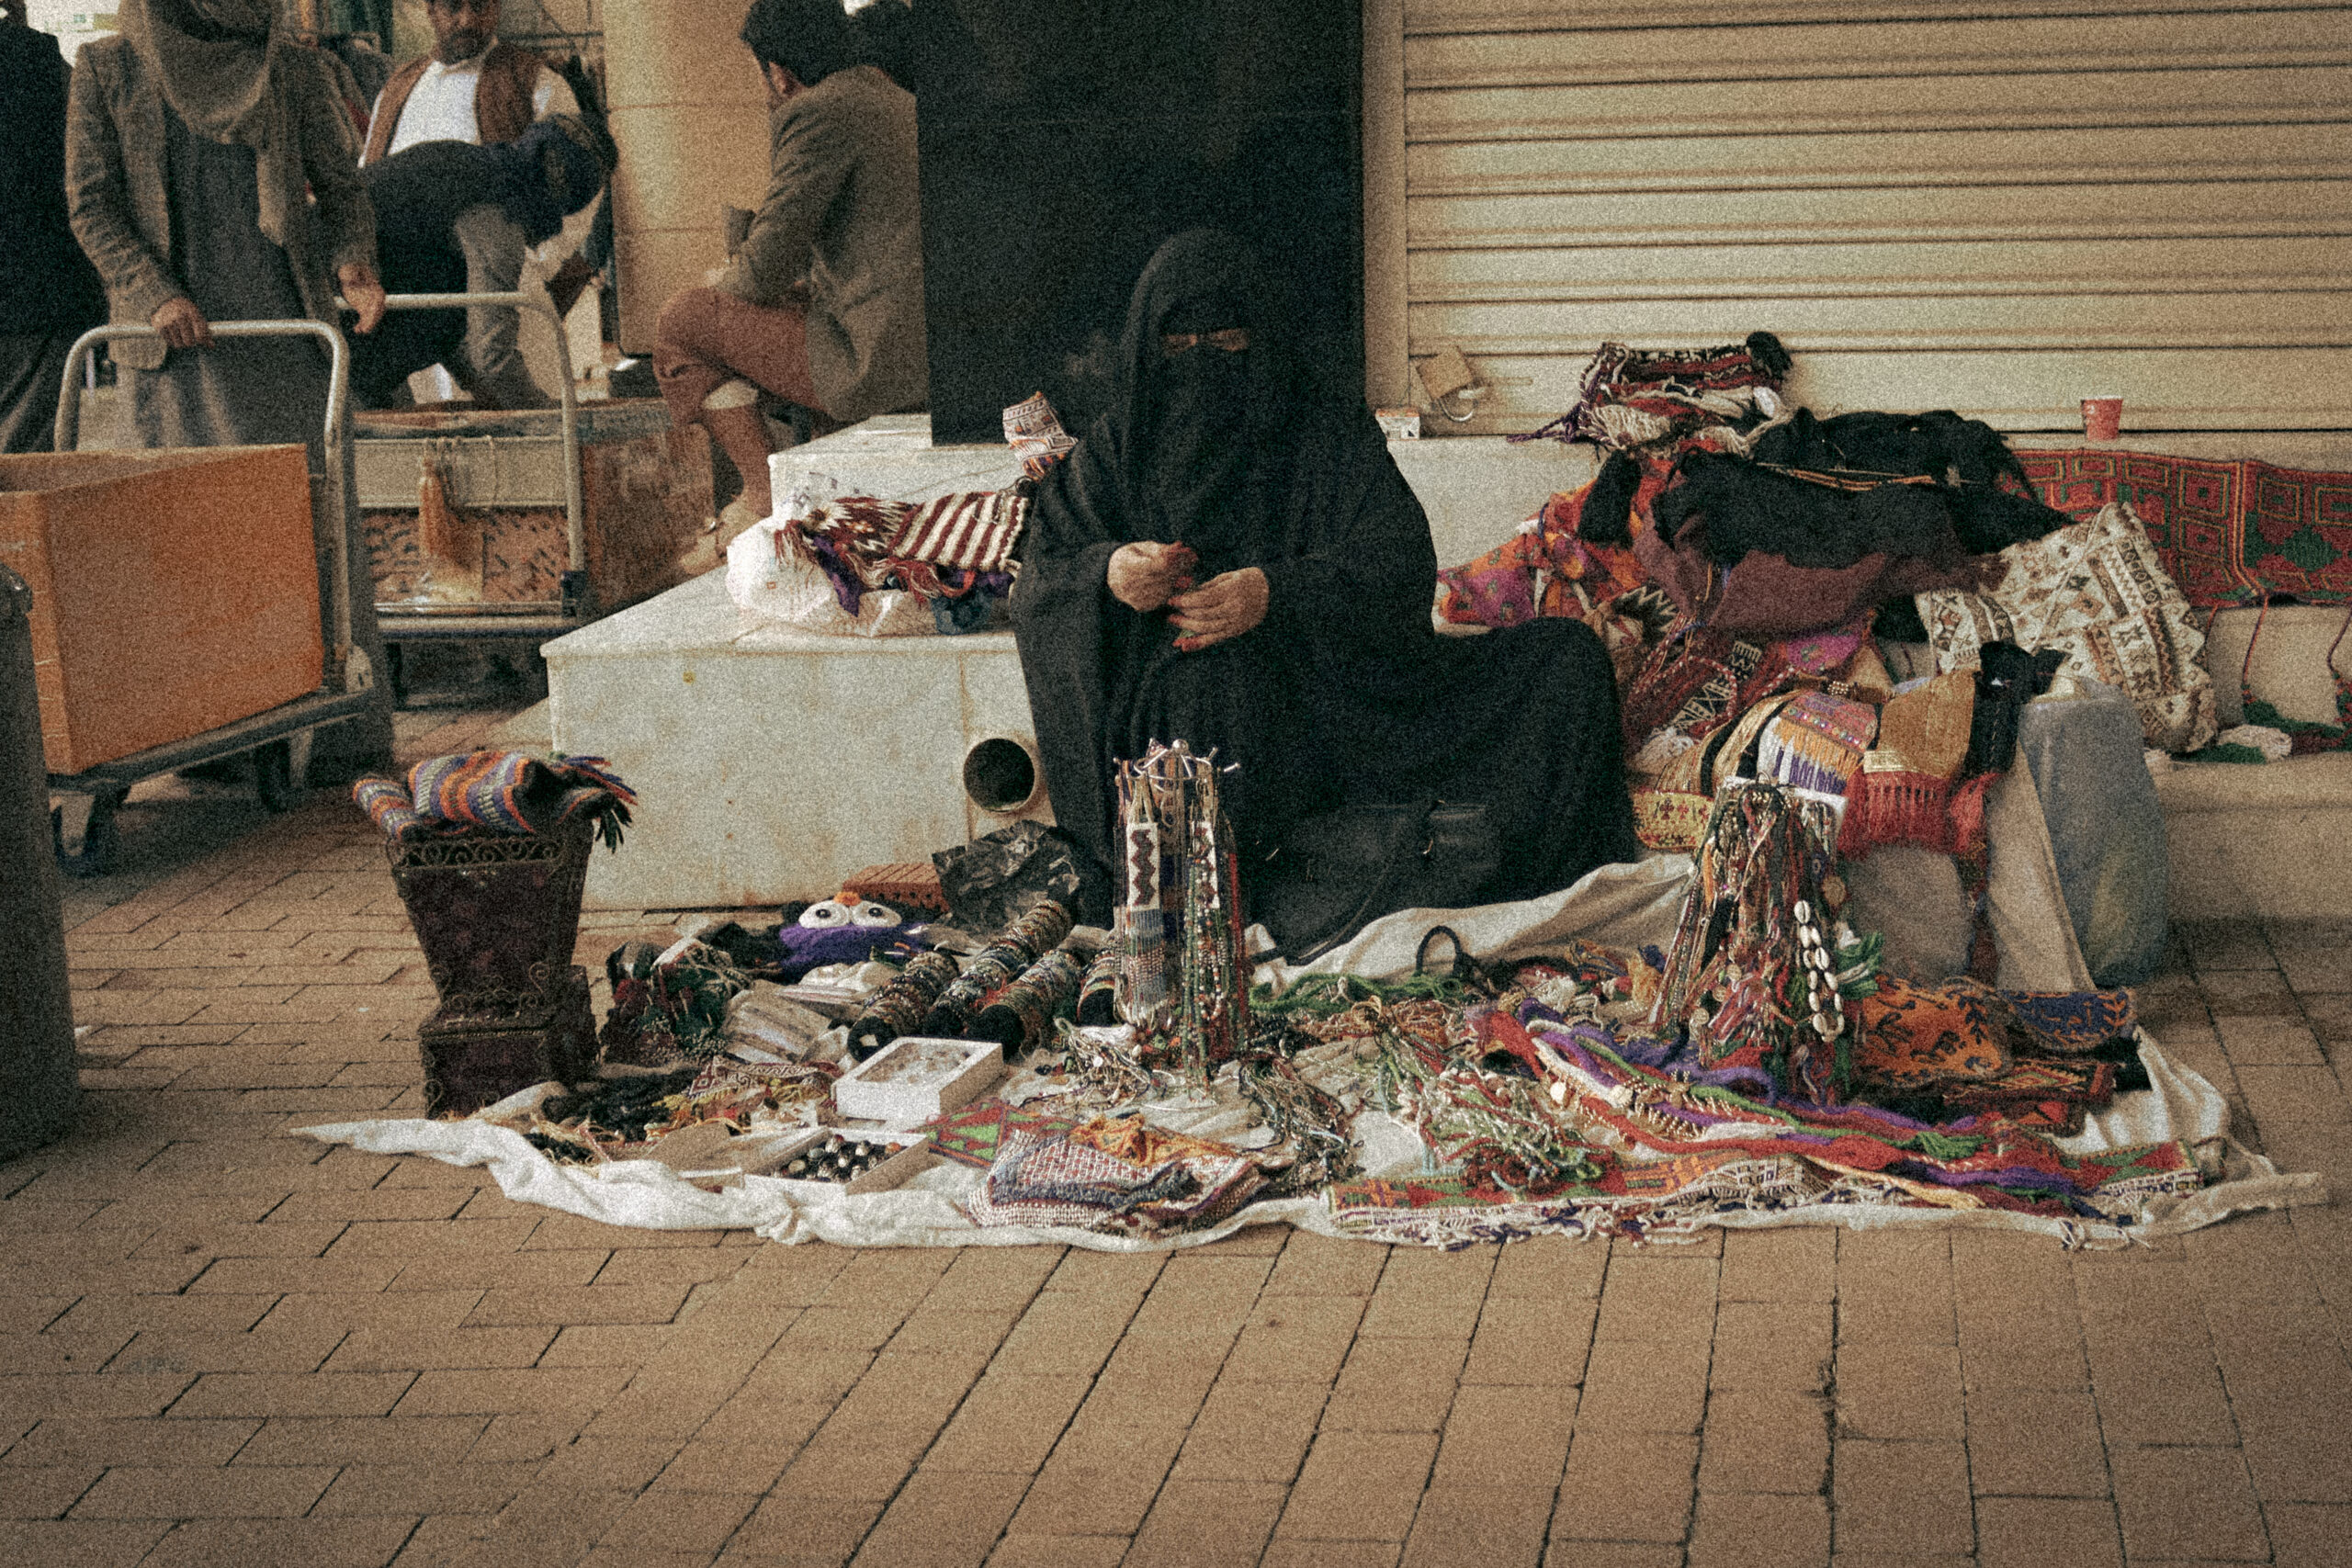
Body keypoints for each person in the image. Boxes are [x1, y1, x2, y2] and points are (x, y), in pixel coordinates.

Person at [1011, 230, 1640, 926]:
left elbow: (1397, 555)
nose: (1203, 363)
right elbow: (1043, 580)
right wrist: (1111, 574)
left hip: (1342, 692)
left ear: (1262, 337)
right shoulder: (1117, 450)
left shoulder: (1323, 429)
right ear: (1147, 349)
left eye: (1226, 341)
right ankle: (1234, 921)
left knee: (1566, 660)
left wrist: (1276, 593)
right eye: (1179, 346)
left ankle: (1526, 894)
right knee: (1213, 691)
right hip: (1196, 713)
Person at [654, 0, 926, 556]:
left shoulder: (819, 110)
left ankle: (762, 496)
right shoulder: (900, 101)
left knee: (682, 322)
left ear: (778, 71)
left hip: (881, 365)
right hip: (926, 348)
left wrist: (720, 291)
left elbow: (760, 272)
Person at [66, 0, 386, 457]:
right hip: (173, 353)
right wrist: (156, 295)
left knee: (297, 511)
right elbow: (91, 206)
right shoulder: (108, 67)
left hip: (286, 342)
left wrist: (353, 264)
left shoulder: (292, 65)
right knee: (181, 514)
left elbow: (342, 188)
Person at [361, 0, 590, 409]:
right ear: (430, 10)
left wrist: (532, 268)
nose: (466, 19)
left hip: (507, 290)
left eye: (479, 6)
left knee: (524, 427)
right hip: (416, 302)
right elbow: (365, 184)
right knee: (431, 446)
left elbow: (575, 199)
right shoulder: (397, 88)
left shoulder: (536, 81)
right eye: (452, 6)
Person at [351, 115, 614, 410]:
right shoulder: (500, 210)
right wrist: (552, 419)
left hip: (345, 338)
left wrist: (484, 388)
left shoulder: (475, 165)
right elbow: (492, 357)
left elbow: (447, 314)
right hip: (331, 338)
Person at [0, 0, 107, 453]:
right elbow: (85, 176)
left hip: (36, 294)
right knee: (26, 461)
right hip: (38, 289)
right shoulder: (40, 63)